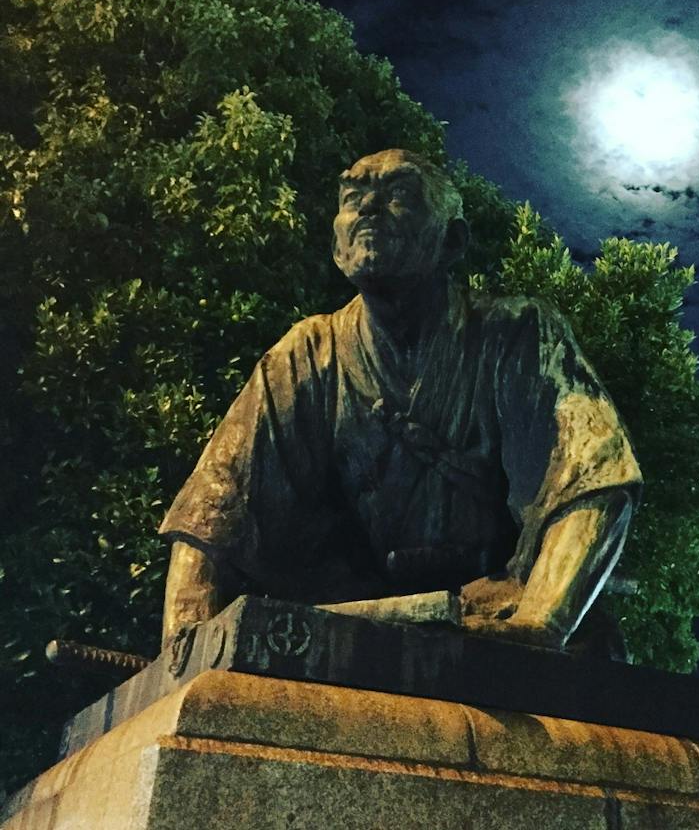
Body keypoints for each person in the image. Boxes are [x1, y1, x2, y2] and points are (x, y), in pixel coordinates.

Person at [159, 148, 641, 654]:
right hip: (350, 624)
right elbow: (214, 508)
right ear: (337, 247)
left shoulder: (516, 335)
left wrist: (542, 621)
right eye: (353, 197)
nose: (368, 208)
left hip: (495, 613)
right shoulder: (306, 354)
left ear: (452, 240)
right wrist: (184, 645)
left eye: (399, 195)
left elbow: (593, 477)